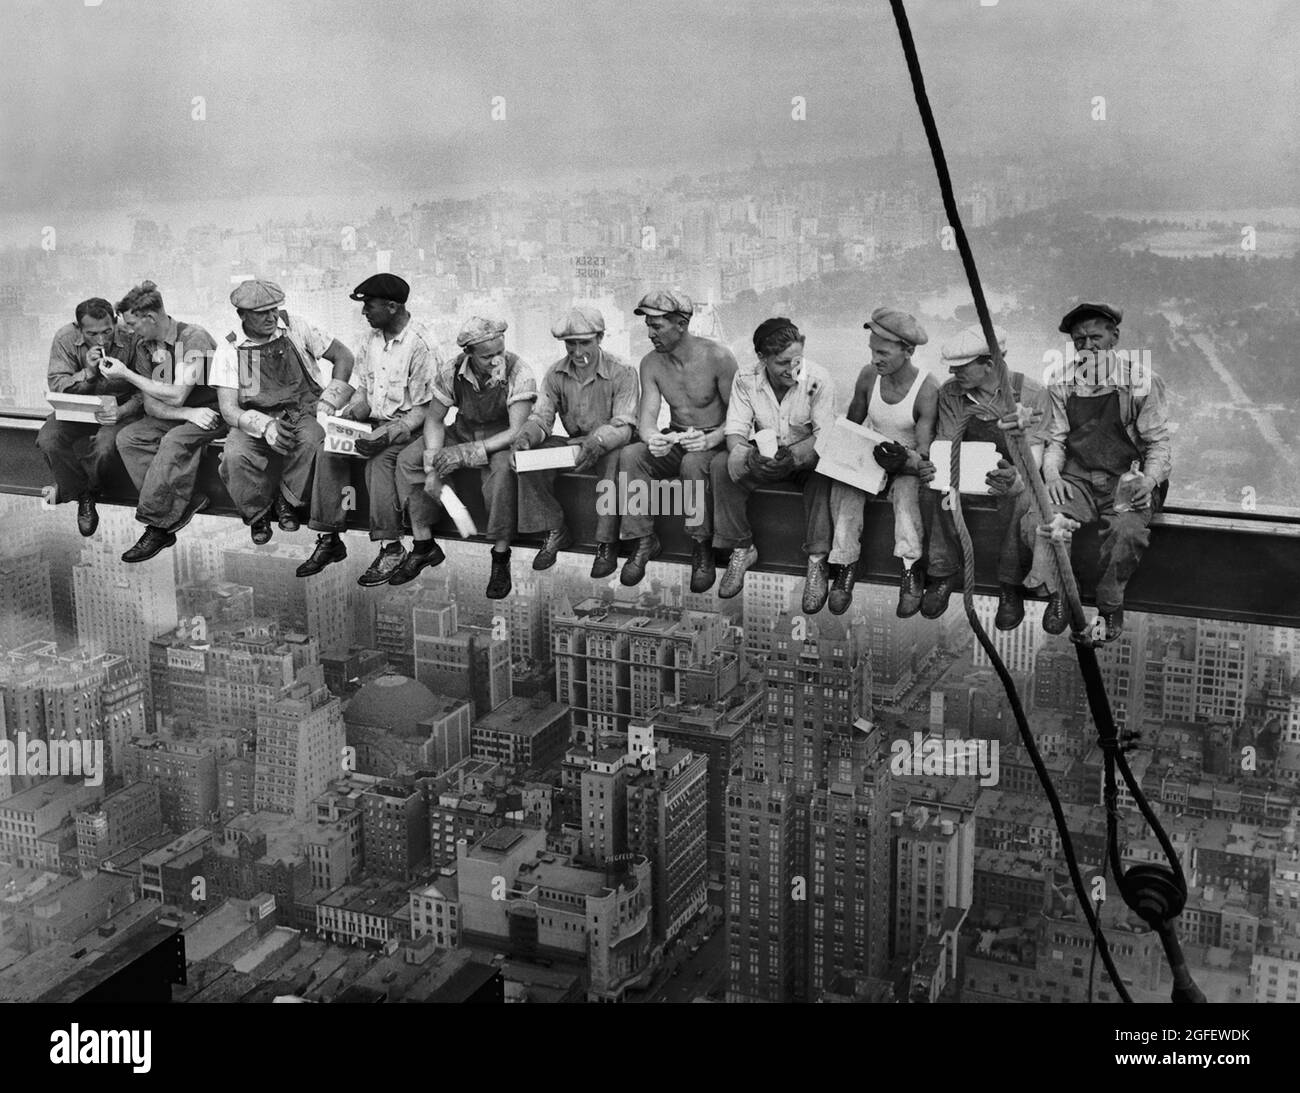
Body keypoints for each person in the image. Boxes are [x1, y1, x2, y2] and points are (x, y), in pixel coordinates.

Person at [1022, 302, 1172, 642]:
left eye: (1095, 337)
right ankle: (1060, 590)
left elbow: (1158, 444)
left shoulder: (1142, 381)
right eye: (1079, 340)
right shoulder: (1061, 381)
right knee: (1040, 521)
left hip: (1127, 480)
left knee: (1126, 534)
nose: (1088, 346)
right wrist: (1053, 476)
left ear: (1114, 337)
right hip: (1079, 478)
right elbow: (1056, 440)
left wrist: (1148, 481)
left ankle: (1108, 607)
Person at [297, 274, 440, 583]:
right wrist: (347, 420)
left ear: (391, 306)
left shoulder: (422, 346)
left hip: (409, 431)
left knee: (380, 462)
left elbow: (424, 410)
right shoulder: (370, 341)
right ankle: (329, 538)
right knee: (328, 451)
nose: (364, 313)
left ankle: (391, 549)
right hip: (374, 423)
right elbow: (364, 391)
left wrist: (387, 434)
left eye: (369, 306)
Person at [392, 316, 537, 597]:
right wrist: (433, 465)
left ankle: (500, 555)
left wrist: (464, 454)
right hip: (463, 429)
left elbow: (516, 430)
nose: (496, 361)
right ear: (468, 354)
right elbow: (434, 420)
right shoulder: (452, 370)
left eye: (499, 353)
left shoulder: (521, 372)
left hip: (500, 438)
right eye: (487, 357)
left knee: (502, 473)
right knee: (409, 459)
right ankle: (424, 544)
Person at [209, 279, 355, 545]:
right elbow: (229, 409)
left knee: (312, 442)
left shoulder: (296, 327)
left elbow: (344, 356)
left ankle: (287, 500)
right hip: (254, 417)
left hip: (301, 411)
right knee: (234, 455)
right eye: (262, 312)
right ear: (242, 315)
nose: (272, 316)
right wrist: (265, 426)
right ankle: (258, 514)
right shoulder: (229, 348)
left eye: (274, 309)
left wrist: (330, 401)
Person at [919, 325, 1047, 628]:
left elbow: (1036, 450)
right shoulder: (951, 393)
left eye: (961, 367)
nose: (952, 372)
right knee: (936, 490)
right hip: (966, 466)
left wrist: (1016, 477)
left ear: (989, 364)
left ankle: (1009, 584)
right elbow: (947, 441)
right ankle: (942, 572)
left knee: (1019, 498)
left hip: (1012, 471)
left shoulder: (1031, 393)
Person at [618, 289, 738, 591]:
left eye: (657, 326)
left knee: (693, 464)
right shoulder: (651, 363)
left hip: (715, 439)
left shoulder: (719, 358)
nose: (649, 333)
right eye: (648, 325)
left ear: (681, 324)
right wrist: (653, 438)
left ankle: (701, 546)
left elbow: (740, 418)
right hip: (677, 434)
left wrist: (711, 439)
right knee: (631, 456)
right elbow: (647, 419)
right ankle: (643, 539)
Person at [712, 317, 836, 606]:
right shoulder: (745, 380)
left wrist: (793, 458)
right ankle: (742, 547)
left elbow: (824, 436)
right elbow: (735, 432)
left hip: (805, 457)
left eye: (797, 360)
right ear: (762, 358)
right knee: (721, 466)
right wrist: (749, 456)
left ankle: (817, 560)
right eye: (782, 363)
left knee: (823, 474)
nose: (793, 370)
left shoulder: (818, 379)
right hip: (764, 455)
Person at [824, 307, 938, 616]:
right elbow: (854, 425)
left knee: (905, 496)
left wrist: (906, 460)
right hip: (873, 451)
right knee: (845, 487)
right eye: (873, 351)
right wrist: (846, 459)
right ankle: (846, 562)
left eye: (883, 352)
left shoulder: (926, 389)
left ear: (908, 351)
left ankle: (911, 568)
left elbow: (925, 450)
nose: (876, 358)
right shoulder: (868, 375)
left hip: (906, 462)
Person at [512, 305, 638, 577]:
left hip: (610, 443)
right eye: (571, 344)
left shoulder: (622, 371)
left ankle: (606, 542)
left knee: (615, 461)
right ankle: (555, 528)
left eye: (585, 343)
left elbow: (624, 425)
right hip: (575, 444)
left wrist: (598, 441)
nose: (578, 352)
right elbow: (542, 418)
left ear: (600, 338)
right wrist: (526, 437)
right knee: (528, 461)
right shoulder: (556, 374)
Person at [103, 281, 224, 562]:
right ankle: (184, 501)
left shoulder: (193, 338)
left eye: (133, 324)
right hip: (185, 413)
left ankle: (157, 526)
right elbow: (151, 403)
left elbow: (176, 393)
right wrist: (186, 414)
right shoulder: (147, 346)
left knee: (173, 441)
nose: (130, 331)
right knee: (129, 438)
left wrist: (127, 375)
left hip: (213, 411)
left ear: (151, 318)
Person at [37, 298, 141, 536]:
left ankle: (84, 489)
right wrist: (89, 373)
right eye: (92, 334)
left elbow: (144, 389)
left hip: (119, 408)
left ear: (115, 322)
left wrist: (123, 411)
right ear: (79, 328)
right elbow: (57, 385)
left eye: (107, 331)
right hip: (76, 408)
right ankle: (84, 495)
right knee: (48, 440)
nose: (102, 340)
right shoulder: (65, 338)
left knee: (105, 447)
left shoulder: (132, 337)